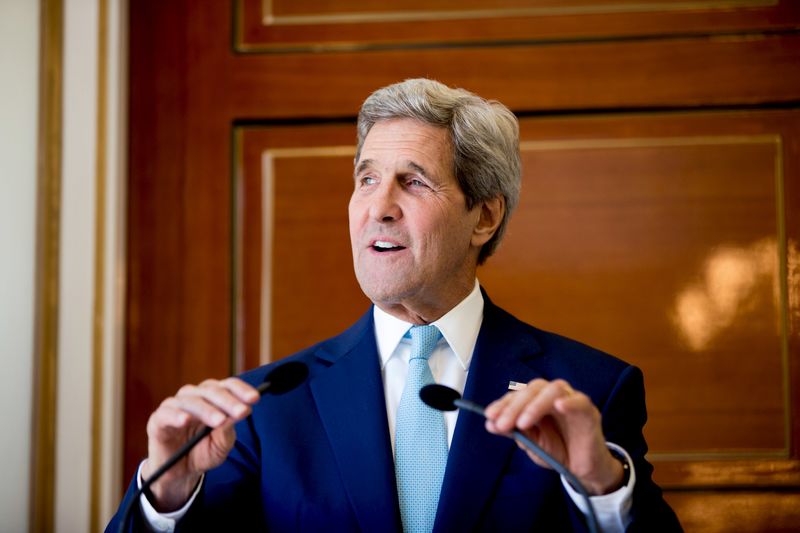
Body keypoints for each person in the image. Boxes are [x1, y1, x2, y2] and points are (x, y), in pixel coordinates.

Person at [107, 78, 681, 532]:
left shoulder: (590, 392)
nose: (377, 207)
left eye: (413, 182)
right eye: (366, 178)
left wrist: (603, 490)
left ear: (484, 216)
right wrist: (167, 496)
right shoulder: (262, 411)